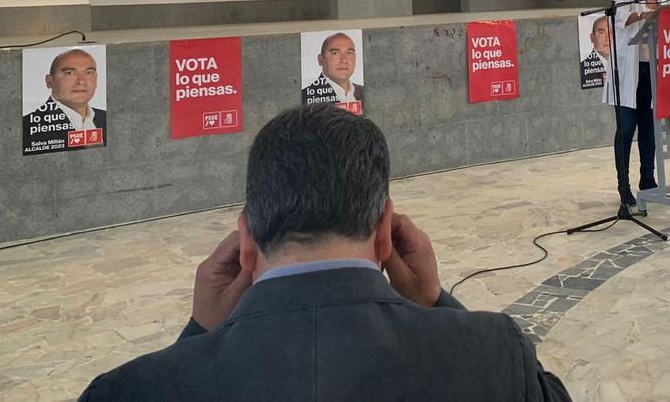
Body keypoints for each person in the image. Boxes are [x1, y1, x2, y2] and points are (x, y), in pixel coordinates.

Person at [79, 105, 570, 401]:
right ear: (385, 233)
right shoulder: (492, 355)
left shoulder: (128, 394)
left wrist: (198, 334)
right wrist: (434, 301)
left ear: (245, 243)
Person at [604, 0, 670, 208]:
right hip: (628, 72)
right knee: (627, 129)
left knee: (648, 128)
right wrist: (642, 14)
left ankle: (648, 180)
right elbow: (621, 18)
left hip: (652, 72)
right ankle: (624, 186)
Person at [22, 48, 107, 153]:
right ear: (49, 81)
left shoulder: (108, 118)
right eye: (69, 73)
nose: (81, 81)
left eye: (89, 72)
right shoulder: (25, 128)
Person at [301, 32, 365, 108]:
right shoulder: (304, 98)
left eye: (349, 53)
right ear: (320, 60)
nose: (344, 60)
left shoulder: (366, 93)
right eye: (335, 53)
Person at [580, 16, 611, 89]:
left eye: (611, 32)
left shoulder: (627, 63)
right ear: (592, 37)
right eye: (602, 32)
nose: (608, 38)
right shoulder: (583, 68)